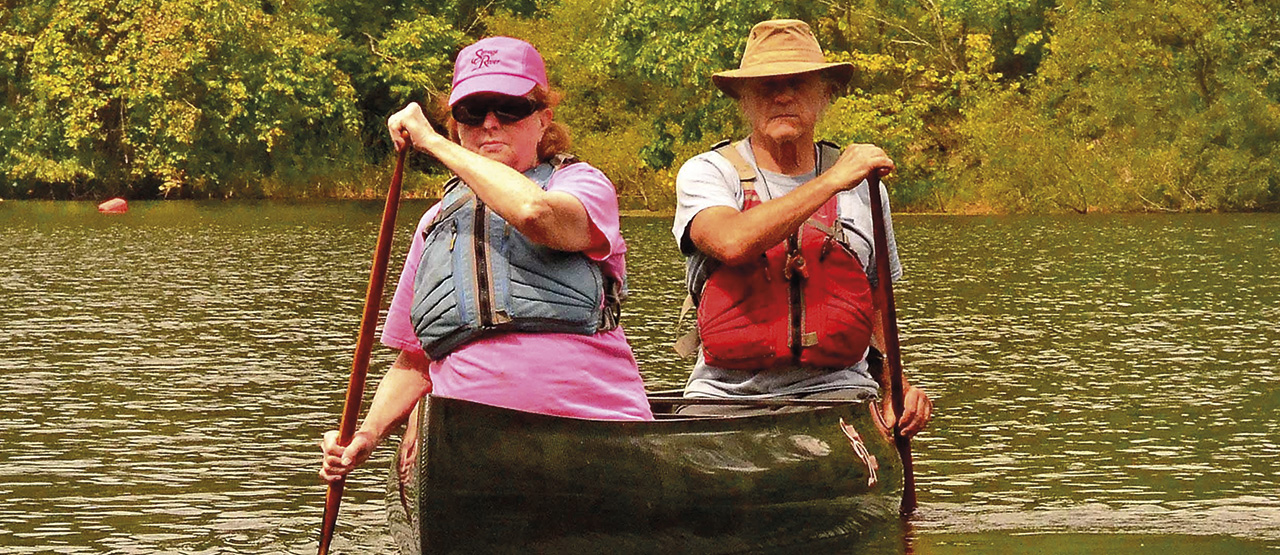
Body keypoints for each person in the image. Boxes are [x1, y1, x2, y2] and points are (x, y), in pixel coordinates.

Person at [320, 36, 653, 485]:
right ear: (458, 125)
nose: (490, 124)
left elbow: (536, 214)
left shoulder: (582, 184)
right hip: (472, 446)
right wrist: (368, 435)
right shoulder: (435, 224)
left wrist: (434, 144)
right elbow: (414, 363)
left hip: (594, 432)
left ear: (542, 121)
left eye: (508, 108)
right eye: (473, 114)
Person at [672, 19, 932, 436]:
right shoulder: (707, 173)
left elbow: (878, 300)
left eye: (797, 83)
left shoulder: (866, 187)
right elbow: (731, 241)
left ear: (826, 94)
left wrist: (895, 386)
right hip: (726, 400)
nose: (781, 95)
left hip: (843, 397)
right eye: (765, 85)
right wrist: (830, 181)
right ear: (744, 100)